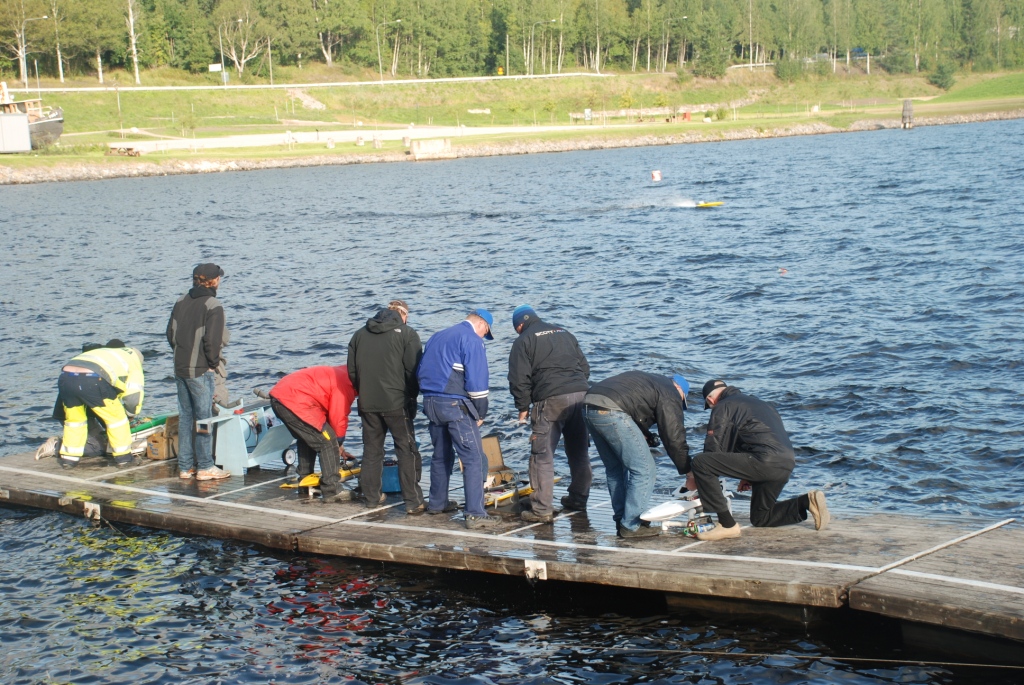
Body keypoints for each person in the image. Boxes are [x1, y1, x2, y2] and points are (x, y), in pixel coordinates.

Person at [690, 379, 829, 541]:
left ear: (710, 400)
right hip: (786, 461)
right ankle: (807, 501)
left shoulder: (723, 406)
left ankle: (727, 525)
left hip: (763, 460)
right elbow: (755, 438)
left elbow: (713, 451)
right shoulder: (762, 404)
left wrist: (697, 479)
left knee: (701, 462)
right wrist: (746, 475)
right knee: (761, 517)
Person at [507, 305, 592, 524]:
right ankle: (578, 499)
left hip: (551, 399)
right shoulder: (564, 332)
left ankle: (542, 509)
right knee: (579, 450)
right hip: (581, 395)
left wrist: (523, 408)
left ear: (519, 325)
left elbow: (519, 378)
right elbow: (584, 368)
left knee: (542, 455)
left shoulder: (523, 340)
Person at [417, 309, 500, 529]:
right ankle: (475, 513)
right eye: (486, 333)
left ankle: (437, 503)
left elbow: (420, 370)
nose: (484, 337)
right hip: (454, 405)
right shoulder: (472, 339)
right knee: (473, 458)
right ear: (482, 325)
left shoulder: (437, 336)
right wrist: (480, 413)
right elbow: (477, 383)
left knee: (441, 455)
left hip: (430, 402)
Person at [583, 371, 690, 538]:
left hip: (589, 405)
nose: (679, 404)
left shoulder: (651, 381)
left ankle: (622, 519)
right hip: (612, 410)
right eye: (682, 400)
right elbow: (673, 436)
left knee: (615, 469)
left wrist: (644, 434)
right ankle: (631, 525)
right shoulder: (670, 392)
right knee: (644, 470)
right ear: (679, 389)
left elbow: (631, 407)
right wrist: (687, 468)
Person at [348, 299, 426, 514]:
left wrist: (363, 391)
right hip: (397, 402)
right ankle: (413, 501)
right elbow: (414, 371)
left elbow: (352, 371)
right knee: (406, 450)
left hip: (367, 402)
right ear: (404, 315)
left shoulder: (359, 334)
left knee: (372, 450)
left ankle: (371, 498)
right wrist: (412, 396)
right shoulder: (408, 334)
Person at [167, 263, 231, 481]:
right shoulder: (214, 305)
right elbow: (212, 341)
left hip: (180, 367)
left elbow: (170, 334)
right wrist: (212, 364)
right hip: (201, 370)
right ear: (214, 281)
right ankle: (205, 466)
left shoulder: (180, 301)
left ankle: (185, 467)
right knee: (204, 419)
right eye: (219, 278)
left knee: (185, 417)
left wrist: (181, 355)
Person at [40, 339, 145, 468]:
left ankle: (69, 460)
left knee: (75, 422)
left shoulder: (106, 354)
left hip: (66, 377)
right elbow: (133, 395)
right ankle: (124, 459)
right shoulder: (133, 362)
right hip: (93, 379)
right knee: (117, 420)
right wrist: (130, 414)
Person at [270, 366, 358, 503]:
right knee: (327, 442)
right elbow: (338, 416)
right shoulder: (346, 384)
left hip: (280, 396)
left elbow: (328, 412)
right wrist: (338, 443)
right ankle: (332, 490)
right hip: (295, 400)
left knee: (309, 437)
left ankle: (305, 483)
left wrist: (339, 446)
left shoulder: (343, 372)